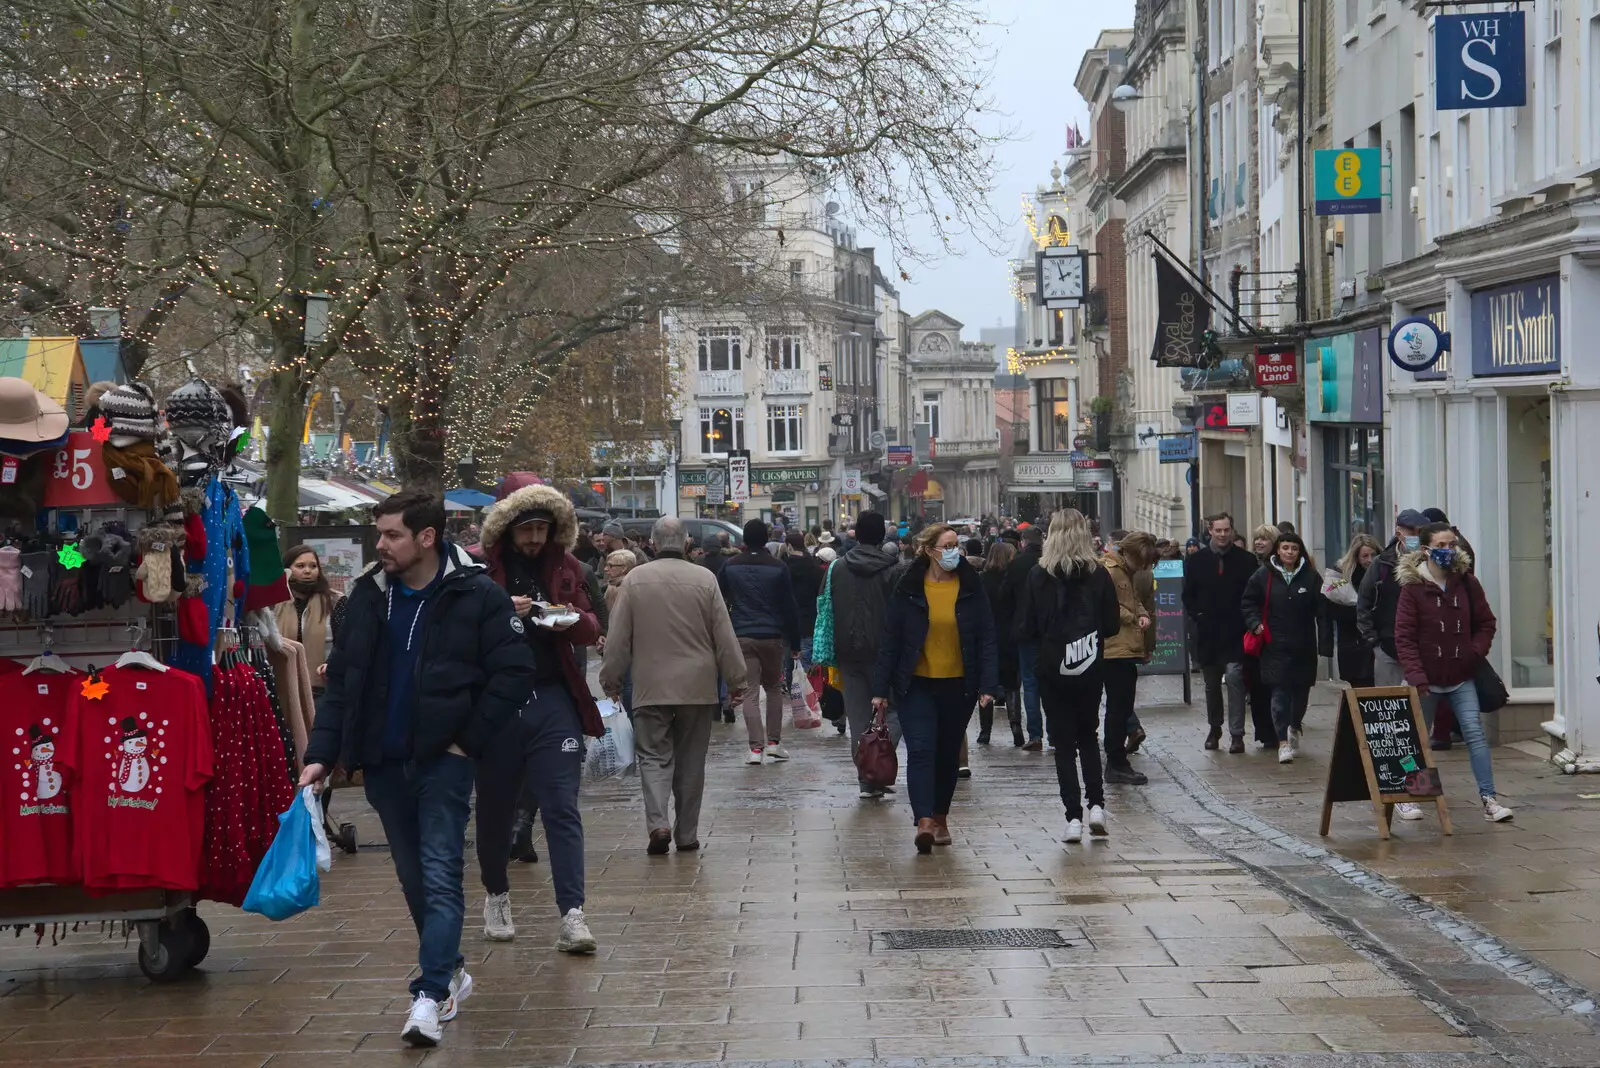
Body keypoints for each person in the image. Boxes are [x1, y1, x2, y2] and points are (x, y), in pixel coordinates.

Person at [299, 490, 535, 1048]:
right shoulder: (364, 598)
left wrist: (466, 742)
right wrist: (319, 754)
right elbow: (344, 687)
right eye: (379, 534)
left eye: (391, 535)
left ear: (426, 538)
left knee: (439, 872)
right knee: (413, 880)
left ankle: (428, 995)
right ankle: (451, 969)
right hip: (382, 763)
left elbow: (515, 673)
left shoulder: (476, 594)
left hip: (443, 763)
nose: (379, 545)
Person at [474, 480, 604, 952]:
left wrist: (571, 618)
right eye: (525, 528)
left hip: (554, 697)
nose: (533, 539)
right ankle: (496, 894)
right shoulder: (477, 567)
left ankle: (573, 913)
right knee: (494, 807)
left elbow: (592, 626)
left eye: (541, 529)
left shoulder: (567, 566)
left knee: (562, 806)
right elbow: (456, 626)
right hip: (497, 702)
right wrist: (498, 609)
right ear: (506, 527)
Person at [601, 517, 749, 852]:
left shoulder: (635, 580)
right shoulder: (705, 579)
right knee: (692, 760)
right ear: (685, 543)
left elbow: (618, 638)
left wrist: (610, 679)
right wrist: (737, 680)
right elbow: (724, 636)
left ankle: (658, 824)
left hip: (649, 684)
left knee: (652, 756)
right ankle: (687, 835)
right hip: (697, 686)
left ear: (652, 543)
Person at [871, 523, 999, 853]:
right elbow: (891, 639)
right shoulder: (909, 585)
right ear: (929, 551)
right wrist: (880, 688)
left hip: (960, 685)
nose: (955, 551)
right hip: (916, 684)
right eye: (948, 545)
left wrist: (988, 684)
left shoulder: (971, 584)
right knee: (921, 750)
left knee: (946, 756)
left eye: (957, 544)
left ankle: (941, 817)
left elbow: (986, 636)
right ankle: (924, 820)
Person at [1393, 521, 1512, 823]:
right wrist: (1417, 676)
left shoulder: (1466, 583)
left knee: (1475, 733)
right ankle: (1410, 797)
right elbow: (1404, 637)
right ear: (1426, 550)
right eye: (1442, 545)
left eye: (1452, 544)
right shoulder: (1412, 589)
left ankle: (1489, 798)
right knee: (1415, 738)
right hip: (1425, 679)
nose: (1448, 550)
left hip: (1461, 676)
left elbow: (1486, 623)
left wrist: (1473, 654)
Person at [1015, 510, 1121, 843]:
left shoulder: (1038, 575)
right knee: (1088, 734)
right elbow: (1113, 625)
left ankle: (1073, 817)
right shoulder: (1099, 575)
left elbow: (1026, 626)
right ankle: (1097, 805)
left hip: (1052, 668)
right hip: (1090, 665)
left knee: (1062, 744)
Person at [817, 511, 904, 798]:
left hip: (847, 650)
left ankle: (867, 778)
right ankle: (876, 766)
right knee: (895, 710)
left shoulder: (837, 568)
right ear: (881, 535)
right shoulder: (894, 569)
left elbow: (824, 605)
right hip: (885, 652)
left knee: (857, 716)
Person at [1241, 532, 1332, 764]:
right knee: (1279, 694)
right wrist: (1255, 625)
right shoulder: (1263, 575)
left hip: (1303, 646)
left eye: (1294, 548)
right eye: (1285, 548)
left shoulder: (1311, 577)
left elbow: (1322, 611)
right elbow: (1248, 602)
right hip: (1274, 645)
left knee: (1300, 695)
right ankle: (1282, 741)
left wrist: (1325, 644)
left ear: (1299, 551)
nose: (1289, 552)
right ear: (1278, 551)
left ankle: (1294, 726)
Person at [719, 518, 801, 764]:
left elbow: (719, 602)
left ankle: (755, 749)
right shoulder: (778, 566)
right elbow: (789, 607)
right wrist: (795, 643)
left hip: (742, 634)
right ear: (766, 539)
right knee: (774, 688)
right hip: (772, 636)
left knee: (750, 692)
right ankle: (774, 743)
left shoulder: (730, 566)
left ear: (743, 539)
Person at [1182, 513, 1257, 752]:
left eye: (1227, 530)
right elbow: (1188, 595)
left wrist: (1248, 622)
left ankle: (1237, 734)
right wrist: (1199, 615)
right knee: (1211, 684)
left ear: (1232, 531)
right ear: (1210, 531)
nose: (1223, 535)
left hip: (1236, 632)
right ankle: (1215, 728)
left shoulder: (1246, 560)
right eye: (1218, 530)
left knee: (1235, 678)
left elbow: (1253, 595)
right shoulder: (1197, 560)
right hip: (1208, 632)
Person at [1100, 531, 1158, 785]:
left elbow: (1133, 600)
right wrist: (1134, 617)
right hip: (1114, 648)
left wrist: (1142, 613)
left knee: (1122, 707)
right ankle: (1115, 762)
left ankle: (1118, 761)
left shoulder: (1125, 571)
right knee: (1118, 708)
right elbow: (1110, 605)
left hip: (1126, 646)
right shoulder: (1110, 570)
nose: (1143, 568)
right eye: (1141, 562)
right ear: (1129, 554)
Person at [1358, 509, 1428, 687]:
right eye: (1413, 532)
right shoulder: (1382, 564)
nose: (1418, 537)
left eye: (1422, 532)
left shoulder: (1431, 562)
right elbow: (1364, 602)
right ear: (1399, 533)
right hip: (1388, 648)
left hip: (1423, 650)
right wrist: (1373, 640)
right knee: (1391, 706)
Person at [1000, 525, 1046, 750]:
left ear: (1023, 543)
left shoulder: (1016, 564)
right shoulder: (1049, 562)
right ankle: (1057, 734)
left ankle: (1035, 735)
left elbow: (1004, 596)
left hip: (1025, 631)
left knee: (1030, 683)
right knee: (1052, 683)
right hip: (1050, 632)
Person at [277, 545, 346, 684]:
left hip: (324, 685)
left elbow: (345, 642)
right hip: (282, 684)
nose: (307, 571)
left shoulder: (335, 601)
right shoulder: (274, 602)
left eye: (313, 566)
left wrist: (332, 665)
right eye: (300, 566)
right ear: (287, 570)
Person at [979, 540, 1023, 746]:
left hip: (987, 637)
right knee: (1012, 684)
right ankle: (1016, 728)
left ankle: (985, 731)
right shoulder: (1012, 579)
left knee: (986, 683)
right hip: (1009, 636)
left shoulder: (981, 579)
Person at [1327, 534, 1382, 689]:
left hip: (1377, 644)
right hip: (1353, 644)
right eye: (1365, 556)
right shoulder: (1342, 575)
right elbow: (1332, 605)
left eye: (1373, 555)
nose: (1370, 560)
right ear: (1356, 556)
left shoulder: (1383, 573)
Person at [785, 532, 826, 678]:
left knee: (790, 666)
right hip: (810, 621)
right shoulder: (815, 569)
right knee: (808, 667)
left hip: (788, 624)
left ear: (789, 546)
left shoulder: (783, 569)